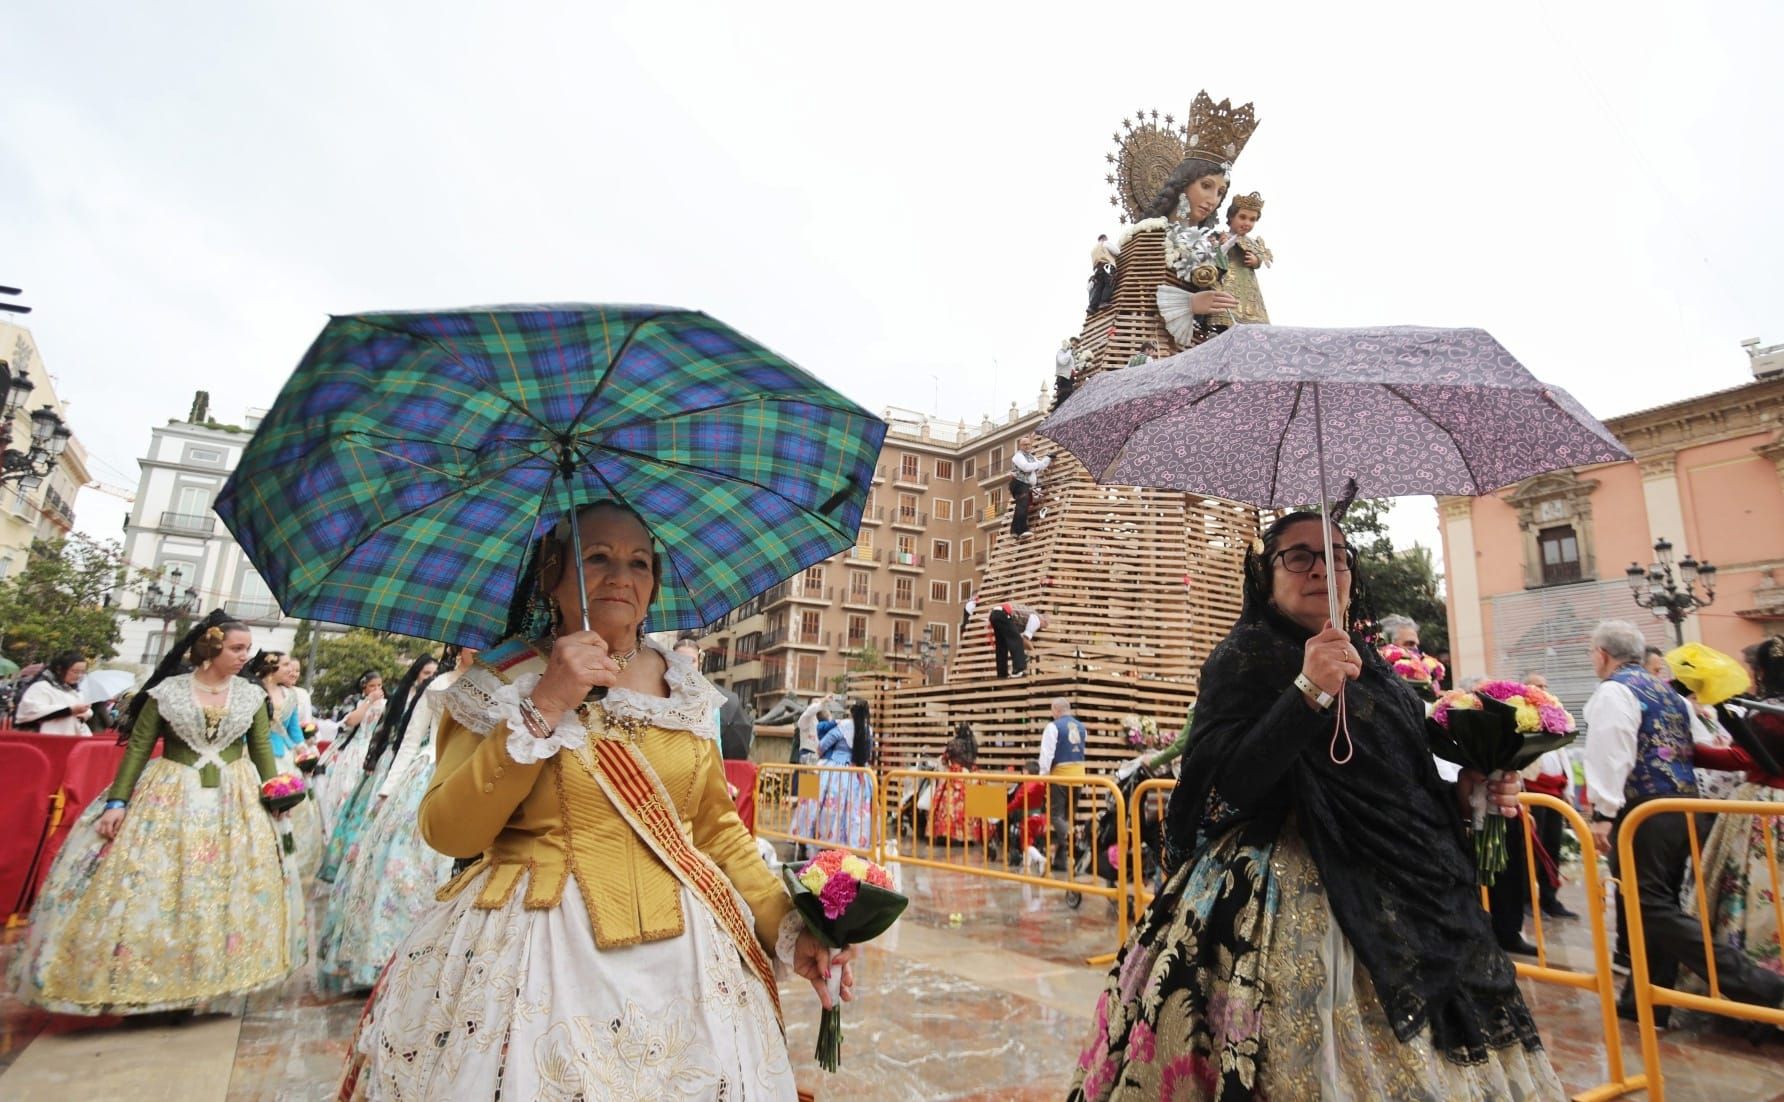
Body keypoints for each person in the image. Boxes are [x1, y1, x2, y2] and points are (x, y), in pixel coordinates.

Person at [339, 501, 854, 1100]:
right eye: (597, 558)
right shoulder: (501, 680)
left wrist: (792, 927)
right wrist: (547, 702)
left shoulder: (685, 689)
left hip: (689, 964)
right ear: (552, 575)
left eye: (639, 562)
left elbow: (715, 833)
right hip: (537, 960)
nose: (620, 577)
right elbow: (449, 832)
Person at [1073, 511, 1563, 1100]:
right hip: (1283, 899)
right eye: (1298, 556)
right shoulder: (1243, 658)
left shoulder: (1376, 667)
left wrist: (1467, 793)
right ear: (1267, 574)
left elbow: (1402, 776)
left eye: (1335, 555)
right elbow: (1225, 784)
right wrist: (1306, 691)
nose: (1320, 568)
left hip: (1409, 903)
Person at [9, 612, 301, 1015]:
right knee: (157, 883)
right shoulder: (168, 692)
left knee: (222, 887)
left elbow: (262, 751)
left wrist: (277, 795)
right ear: (211, 647)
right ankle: (148, 976)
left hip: (235, 799)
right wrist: (118, 803)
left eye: (246, 649)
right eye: (237, 648)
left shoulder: (252, 697)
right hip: (170, 791)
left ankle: (211, 976)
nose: (244, 656)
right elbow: (139, 747)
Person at [1583, 620, 1784, 1022]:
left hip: (1645, 810)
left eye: (1592, 652)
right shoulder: (1667, 692)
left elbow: (1612, 749)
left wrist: (1602, 813)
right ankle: (1645, 1000)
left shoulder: (1614, 691)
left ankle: (1757, 984)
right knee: (1658, 902)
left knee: (1649, 905)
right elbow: (1691, 748)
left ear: (1602, 654)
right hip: (1681, 806)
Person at [317, 645, 468, 995]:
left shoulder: (499, 684)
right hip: (427, 776)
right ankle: (385, 955)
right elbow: (412, 740)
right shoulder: (440, 684)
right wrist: (387, 789)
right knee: (402, 869)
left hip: (471, 781)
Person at [1690, 635, 1784, 985]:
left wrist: (1691, 750)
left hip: (1764, 806)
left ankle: (1757, 980)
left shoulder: (1766, 714)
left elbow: (1745, 758)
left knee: (1757, 890)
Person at [318, 654, 437, 888]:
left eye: (434, 674)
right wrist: (374, 761)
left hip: (419, 768)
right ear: (415, 676)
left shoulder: (437, 697)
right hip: (390, 763)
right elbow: (383, 733)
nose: (430, 679)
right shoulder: (400, 699)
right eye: (426, 674)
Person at [249, 650, 326, 881]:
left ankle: (286, 856)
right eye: (285, 665)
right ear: (271, 668)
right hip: (255, 755)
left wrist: (304, 752)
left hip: (286, 755)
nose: (290, 670)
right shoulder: (254, 693)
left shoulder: (290, 696)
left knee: (290, 808)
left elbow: (294, 731)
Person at [1520, 672, 1579, 921]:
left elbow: (1563, 754)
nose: (1543, 690)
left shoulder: (1556, 715)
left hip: (1555, 791)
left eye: (1545, 685)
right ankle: (1527, 900)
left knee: (1552, 847)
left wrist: (1569, 790)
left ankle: (1550, 898)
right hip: (1533, 791)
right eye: (1537, 686)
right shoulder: (1521, 715)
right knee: (1533, 849)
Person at [313, 669, 386, 823]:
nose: (377, 689)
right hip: (349, 748)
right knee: (336, 789)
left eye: (379, 685)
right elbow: (350, 721)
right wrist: (369, 701)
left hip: (368, 750)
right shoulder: (354, 701)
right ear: (363, 686)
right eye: (372, 686)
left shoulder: (385, 705)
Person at [1038, 697, 1089, 873]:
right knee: (1067, 816)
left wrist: (1043, 776)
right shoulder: (1082, 727)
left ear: (1055, 710)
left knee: (1056, 816)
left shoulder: (1053, 727)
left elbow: (1047, 755)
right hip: (1079, 776)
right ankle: (1061, 859)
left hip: (1060, 776)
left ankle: (1072, 840)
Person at [1221, 191, 1272, 325]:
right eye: (1242, 217)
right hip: (1229, 280)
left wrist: (1256, 261)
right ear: (1231, 217)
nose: (1247, 223)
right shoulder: (1223, 236)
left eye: (1252, 219)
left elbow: (1261, 257)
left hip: (1249, 284)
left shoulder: (1253, 242)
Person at [12, 651, 94, 736]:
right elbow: (30, 711)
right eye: (75, 672)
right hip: (46, 739)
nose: (79, 676)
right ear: (59, 669)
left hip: (71, 738)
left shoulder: (75, 691)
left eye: (82, 672)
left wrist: (86, 713)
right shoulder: (42, 687)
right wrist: (69, 710)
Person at [928, 722, 982, 844]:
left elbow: (944, 759)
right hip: (971, 775)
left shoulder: (953, 743)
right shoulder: (973, 744)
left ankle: (946, 835)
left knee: (948, 807)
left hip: (954, 776)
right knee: (971, 808)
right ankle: (969, 837)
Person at [1009, 436, 1050, 539]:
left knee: (1022, 506)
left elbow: (1041, 466)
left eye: (1028, 444)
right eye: (1024, 444)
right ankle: (1022, 530)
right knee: (1022, 506)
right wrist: (1038, 464)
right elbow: (1026, 467)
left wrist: (1048, 458)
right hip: (1019, 483)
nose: (1027, 446)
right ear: (1020, 446)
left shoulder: (1031, 457)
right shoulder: (1018, 456)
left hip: (1026, 485)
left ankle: (1014, 531)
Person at [1087, 234, 1118, 314]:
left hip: (1097, 270)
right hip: (1107, 267)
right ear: (1105, 238)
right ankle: (1103, 302)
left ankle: (1092, 307)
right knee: (1109, 284)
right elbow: (1117, 252)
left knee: (1098, 288)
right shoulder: (1105, 243)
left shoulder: (1093, 249)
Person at [793, 694, 824, 764]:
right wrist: (822, 701)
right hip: (807, 751)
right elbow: (810, 711)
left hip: (816, 753)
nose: (818, 705)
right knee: (805, 774)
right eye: (815, 703)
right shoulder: (806, 717)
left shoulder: (819, 720)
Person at [1055, 338, 1082, 409]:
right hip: (1064, 379)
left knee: (1067, 399)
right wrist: (1069, 350)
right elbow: (1063, 361)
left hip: (1069, 380)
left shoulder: (1070, 355)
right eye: (1073, 344)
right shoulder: (1061, 352)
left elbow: (1072, 368)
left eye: (1076, 345)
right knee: (1064, 401)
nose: (1074, 346)